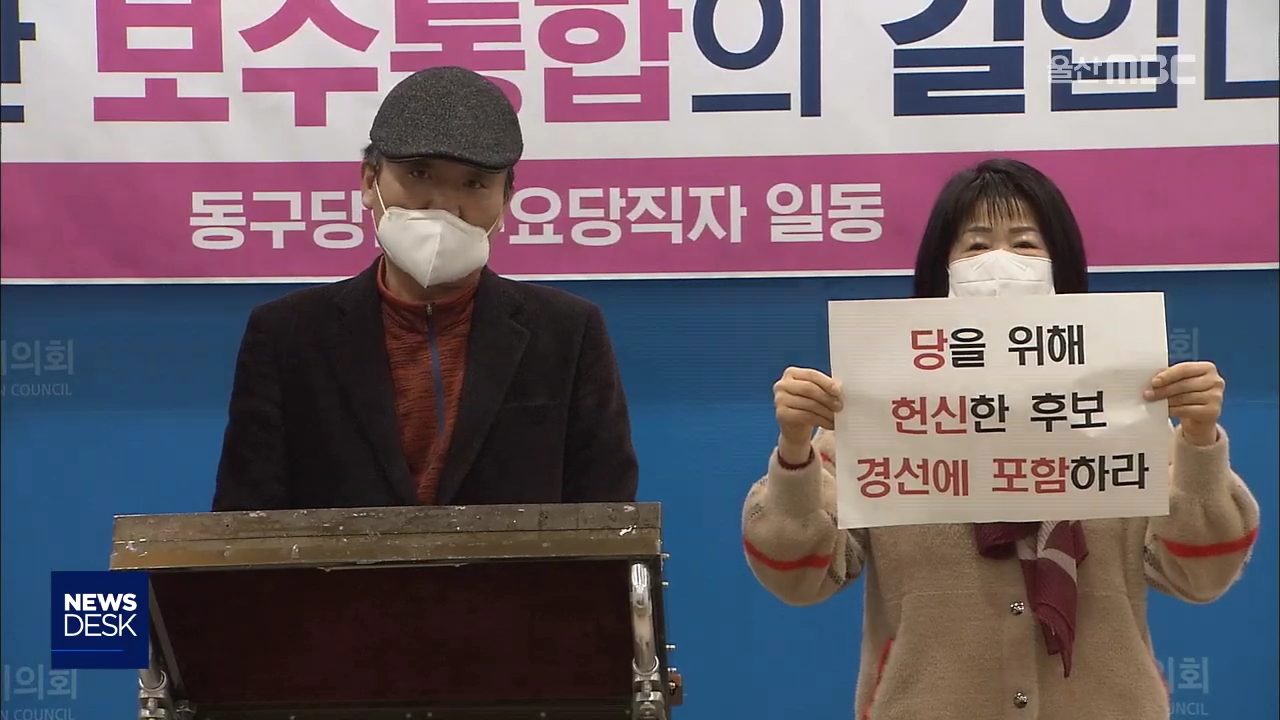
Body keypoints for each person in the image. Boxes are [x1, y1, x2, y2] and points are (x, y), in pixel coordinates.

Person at [741, 159, 1260, 719]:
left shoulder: (1121, 416)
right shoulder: (884, 413)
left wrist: (1199, 441)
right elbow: (799, 576)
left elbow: (1201, 574)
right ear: (940, 270)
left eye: (1025, 243)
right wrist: (796, 451)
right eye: (976, 245)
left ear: (1063, 266)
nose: (1000, 261)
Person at [212, 66, 639, 511]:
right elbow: (244, 520)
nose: (444, 205)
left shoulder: (568, 332)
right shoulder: (286, 335)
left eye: (474, 183)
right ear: (369, 181)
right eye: (419, 174)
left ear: (505, 201)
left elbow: (608, 514)